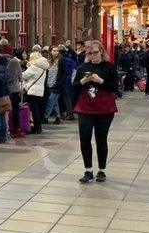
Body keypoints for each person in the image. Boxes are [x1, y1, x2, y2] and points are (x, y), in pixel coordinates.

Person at [74, 41, 119, 184]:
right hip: (85, 107)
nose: (92, 56)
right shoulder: (83, 67)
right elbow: (74, 87)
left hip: (104, 108)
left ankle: (102, 170)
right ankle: (88, 170)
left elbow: (114, 87)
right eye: (89, 53)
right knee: (85, 139)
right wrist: (82, 81)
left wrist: (100, 81)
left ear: (101, 51)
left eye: (95, 52)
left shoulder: (109, 67)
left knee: (101, 139)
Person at [22, 49, 49, 135]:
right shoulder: (43, 67)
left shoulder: (34, 66)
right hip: (40, 91)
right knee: (38, 109)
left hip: (32, 90)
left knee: (34, 110)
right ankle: (38, 126)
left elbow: (24, 76)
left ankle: (36, 127)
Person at [43, 46, 64, 125]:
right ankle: (58, 117)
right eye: (54, 50)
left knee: (51, 101)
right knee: (55, 102)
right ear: (50, 51)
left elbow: (64, 73)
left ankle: (46, 116)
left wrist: (59, 83)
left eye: (57, 51)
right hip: (48, 84)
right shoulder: (47, 61)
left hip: (56, 85)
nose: (56, 52)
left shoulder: (61, 61)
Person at [7, 49, 25, 137]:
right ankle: (16, 129)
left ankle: (10, 128)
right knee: (15, 110)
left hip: (7, 89)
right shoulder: (15, 62)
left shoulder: (2, 62)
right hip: (14, 89)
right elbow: (20, 76)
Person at [60, 46, 78, 120]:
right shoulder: (71, 60)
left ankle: (70, 114)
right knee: (70, 98)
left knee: (67, 99)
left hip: (66, 82)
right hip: (72, 82)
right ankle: (70, 114)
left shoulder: (62, 61)